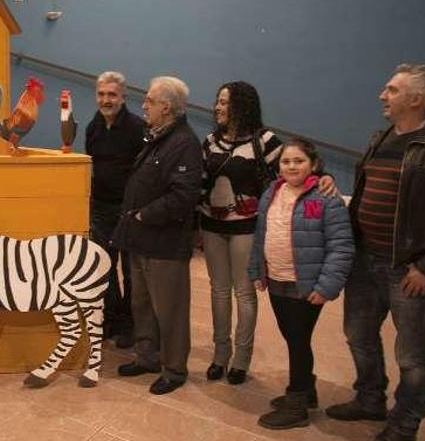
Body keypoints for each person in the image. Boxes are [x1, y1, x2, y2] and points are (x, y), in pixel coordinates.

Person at [326, 64, 425, 441]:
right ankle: (369, 399)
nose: (383, 95)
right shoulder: (380, 138)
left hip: (408, 269)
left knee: (412, 355)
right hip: (364, 261)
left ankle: (405, 422)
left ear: (416, 99)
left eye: (391, 90)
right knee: (357, 335)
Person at [199, 81, 336, 385]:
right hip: (211, 226)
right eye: (218, 101)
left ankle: (240, 360)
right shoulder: (209, 141)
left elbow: (296, 167)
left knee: (244, 293)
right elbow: (201, 180)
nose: (218, 107)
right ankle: (220, 354)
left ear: (242, 105)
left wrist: (324, 179)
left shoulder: (265, 141)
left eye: (225, 102)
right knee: (218, 291)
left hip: (247, 228)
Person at [248, 138, 354, 429]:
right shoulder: (273, 191)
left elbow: (341, 246)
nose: (292, 166)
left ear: (314, 165)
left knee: (297, 341)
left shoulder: (325, 197)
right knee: (294, 337)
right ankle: (307, 391)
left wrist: (326, 287)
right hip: (278, 278)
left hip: (306, 284)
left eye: (299, 161)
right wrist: (257, 269)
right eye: (286, 161)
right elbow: (261, 234)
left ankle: (296, 405)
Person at [111, 76, 202, 395]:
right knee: (143, 304)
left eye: (149, 100)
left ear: (166, 106)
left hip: (165, 243)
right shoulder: (158, 137)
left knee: (170, 310)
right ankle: (147, 356)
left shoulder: (184, 143)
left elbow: (184, 195)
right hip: (141, 240)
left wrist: (143, 214)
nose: (144, 105)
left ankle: (174, 369)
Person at [86, 71, 146, 348]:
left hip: (129, 211)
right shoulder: (92, 127)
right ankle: (110, 319)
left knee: (131, 270)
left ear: (123, 98)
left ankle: (130, 323)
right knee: (103, 268)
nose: (105, 100)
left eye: (112, 94)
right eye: (101, 94)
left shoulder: (137, 128)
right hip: (100, 209)